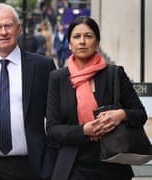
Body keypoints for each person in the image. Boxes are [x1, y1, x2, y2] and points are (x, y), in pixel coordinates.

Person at [46, 16, 147, 180]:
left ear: (97, 42)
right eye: (76, 37)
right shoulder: (58, 78)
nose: (82, 42)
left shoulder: (114, 74)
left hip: (113, 162)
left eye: (88, 36)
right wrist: (84, 130)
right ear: (70, 44)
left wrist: (121, 115)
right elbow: (52, 129)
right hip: (73, 166)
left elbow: (140, 114)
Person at [0, 3, 57, 180]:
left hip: (32, 167)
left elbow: (58, 117)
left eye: (8, 26)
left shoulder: (42, 67)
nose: (3, 32)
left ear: (18, 28)